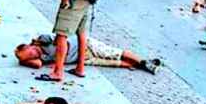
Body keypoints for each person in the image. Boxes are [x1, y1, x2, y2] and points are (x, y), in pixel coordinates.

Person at [15, 34, 161, 75]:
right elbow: (37, 65)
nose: (32, 55)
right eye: (29, 57)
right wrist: (24, 61)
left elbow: (60, 39)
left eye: (29, 52)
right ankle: (136, 65)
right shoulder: (42, 59)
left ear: (29, 45)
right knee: (109, 62)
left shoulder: (43, 40)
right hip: (80, 58)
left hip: (83, 45)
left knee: (113, 53)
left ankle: (143, 62)